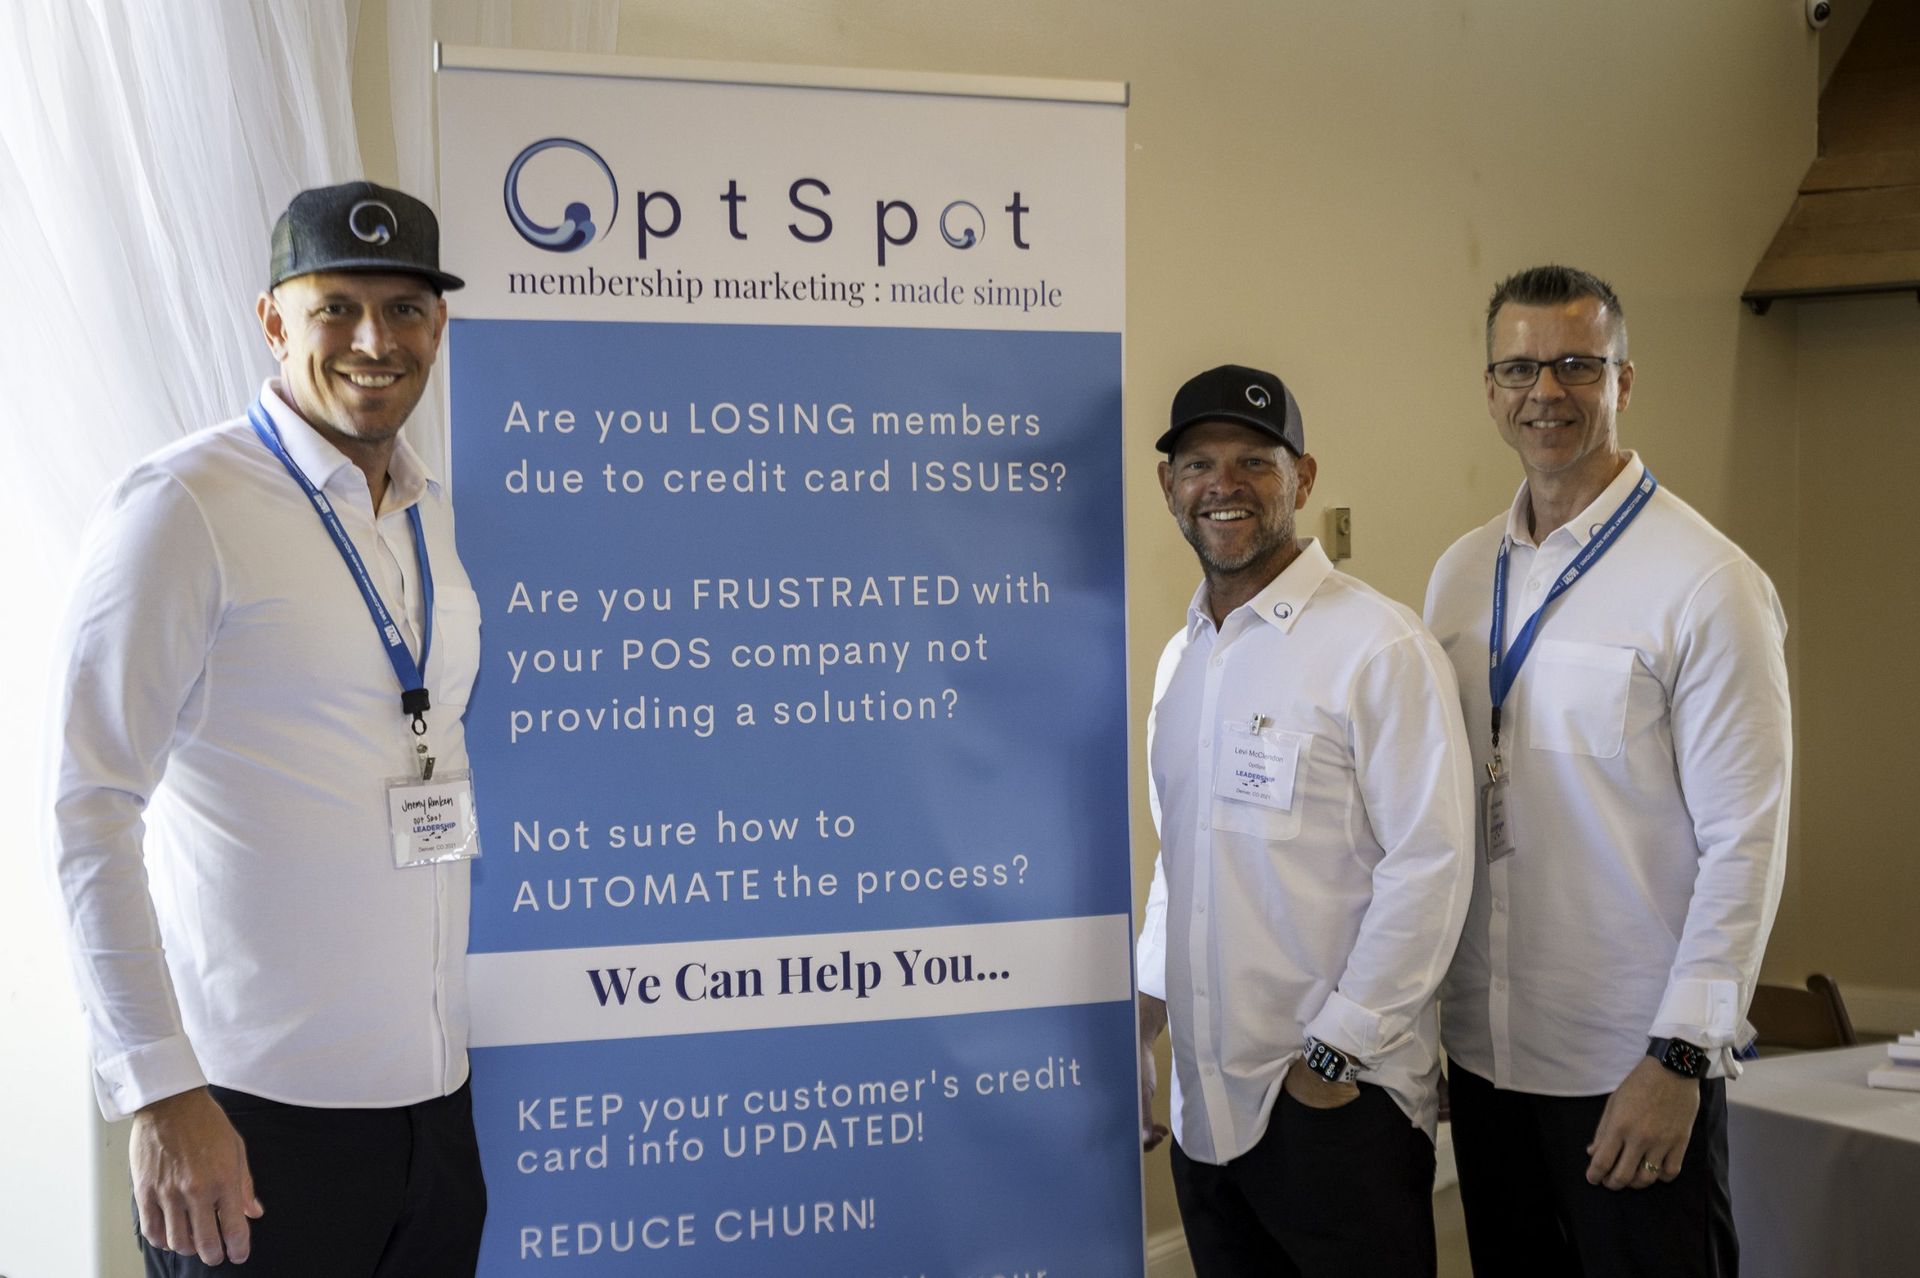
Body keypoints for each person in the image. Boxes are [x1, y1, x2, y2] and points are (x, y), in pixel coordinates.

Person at [47, 181, 488, 1276]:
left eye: (403, 308)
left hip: (435, 1110)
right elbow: (90, 808)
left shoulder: (429, 507)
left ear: (441, 325)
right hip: (251, 1118)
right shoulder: (182, 506)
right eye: (336, 305)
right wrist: (160, 1088)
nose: (373, 340)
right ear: (274, 321)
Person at [1423, 265, 1791, 1278]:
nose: (1548, 391)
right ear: (1490, 388)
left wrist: (1680, 1058)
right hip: (1488, 1059)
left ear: (1626, 380)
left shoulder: (1709, 584)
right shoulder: (1459, 576)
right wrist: (1437, 1021)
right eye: (1521, 367)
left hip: (1628, 1063)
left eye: (1579, 364)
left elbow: (1745, 840)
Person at [1135, 364, 1474, 1277]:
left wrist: (1335, 1056)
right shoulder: (1182, 659)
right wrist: (1143, 1016)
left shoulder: (1377, 646)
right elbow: (1182, 863)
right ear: (1169, 485)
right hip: (1210, 1104)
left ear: (1304, 478)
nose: (1224, 486)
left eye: (1255, 461)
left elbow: (1432, 865)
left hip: (1334, 1108)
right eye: (1199, 464)